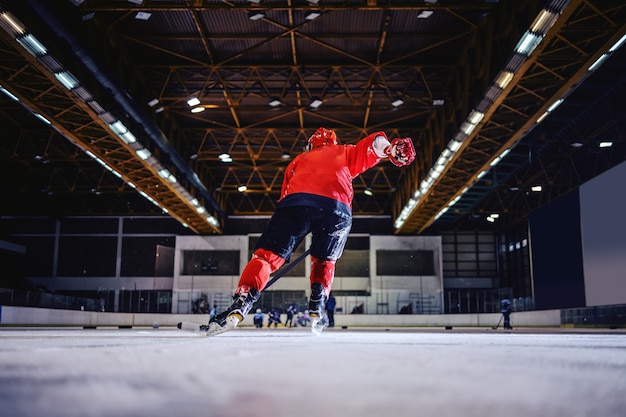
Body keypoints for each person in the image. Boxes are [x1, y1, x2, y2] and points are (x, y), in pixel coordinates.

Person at [205, 127, 415, 336]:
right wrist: (391, 149)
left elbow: (284, 195)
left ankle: (242, 300)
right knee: (325, 260)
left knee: (267, 257)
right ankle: (318, 303)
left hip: (296, 204)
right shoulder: (344, 151)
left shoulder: (297, 161)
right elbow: (372, 145)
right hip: (337, 210)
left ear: (311, 143)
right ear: (332, 141)